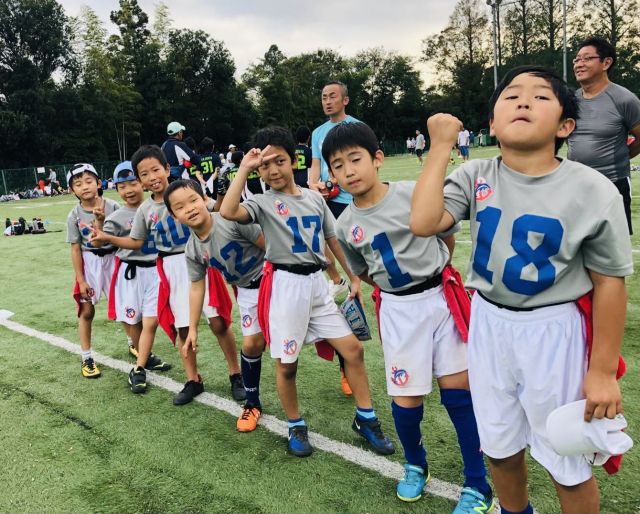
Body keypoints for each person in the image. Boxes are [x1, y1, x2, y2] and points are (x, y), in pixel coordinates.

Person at [410, 66, 633, 514]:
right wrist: (440, 146)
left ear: (565, 126)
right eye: (511, 95)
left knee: (567, 458)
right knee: (499, 446)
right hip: (489, 321)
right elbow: (423, 222)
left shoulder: (593, 189)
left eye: (541, 96)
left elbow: (610, 283)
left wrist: (603, 371)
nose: (524, 101)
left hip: (554, 330)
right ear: (492, 124)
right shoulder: (476, 174)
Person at [326, 121, 492, 512]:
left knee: (459, 393)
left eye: (355, 159)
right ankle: (416, 465)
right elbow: (363, 270)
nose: (349, 171)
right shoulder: (345, 224)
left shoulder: (412, 193)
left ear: (377, 159)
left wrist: (434, 269)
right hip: (398, 310)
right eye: (338, 165)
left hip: (439, 300)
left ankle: (477, 482)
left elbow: (444, 235)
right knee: (405, 400)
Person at [220, 126, 394, 458]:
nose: (273, 170)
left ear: (293, 161)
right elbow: (228, 211)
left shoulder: (314, 198)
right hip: (286, 287)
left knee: (353, 350)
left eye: (279, 161)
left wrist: (352, 277)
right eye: (265, 165)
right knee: (287, 364)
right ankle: (295, 424)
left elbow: (332, 240)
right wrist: (244, 168)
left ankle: (366, 418)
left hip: (317, 286)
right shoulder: (261, 202)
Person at [90, 145, 245, 405]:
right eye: (144, 174)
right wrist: (107, 237)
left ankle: (235, 374)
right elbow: (137, 242)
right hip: (172, 269)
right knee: (183, 326)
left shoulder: (185, 190)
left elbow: (216, 210)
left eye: (155, 170)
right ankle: (193, 379)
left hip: (202, 259)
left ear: (166, 168)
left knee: (218, 322)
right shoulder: (145, 210)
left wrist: (221, 193)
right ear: (140, 180)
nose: (152, 177)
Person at [166, 179, 268, 433]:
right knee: (251, 345)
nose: (189, 208)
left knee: (313, 333)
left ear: (205, 199)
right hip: (247, 291)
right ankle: (252, 403)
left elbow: (269, 246)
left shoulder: (230, 220)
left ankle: (346, 369)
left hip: (274, 279)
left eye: (193, 200)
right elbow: (197, 288)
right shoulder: (192, 249)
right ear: (174, 216)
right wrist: (192, 329)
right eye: (180, 207)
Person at [100, 161, 171, 394]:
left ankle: (139, 366)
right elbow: (102, 241)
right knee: (132, 320)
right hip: (130, 273)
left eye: (133, 183)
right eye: (122, 186)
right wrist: (99, 224)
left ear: (142, 183)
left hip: (155, 270)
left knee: (152, 320)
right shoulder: (116, 217)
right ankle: (145, 356)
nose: (129, 190)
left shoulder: (157, 207)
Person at [309, 80, 356, 394]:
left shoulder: (356, 127)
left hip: (352, 200)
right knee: (326, 243)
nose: (327, 101)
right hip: (327, 201)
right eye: (324, 97)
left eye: (332, 96)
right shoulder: (318, 133)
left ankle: (358, 281)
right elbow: (315, 168)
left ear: (345, 100)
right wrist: (315, 187)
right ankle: (340, 279)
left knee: (358, 248)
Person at [568, 36, 640, 235]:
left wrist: (623, 155)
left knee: (614, 246)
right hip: (575, 185)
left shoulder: (624, 99)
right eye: (577, 59)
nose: (579, 64)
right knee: (576, 243)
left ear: (606, 63)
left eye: (587, 58)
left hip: (612, 184)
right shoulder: (571, 100)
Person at [66, 163, 120, 378]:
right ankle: (86, 356)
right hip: (90, 261)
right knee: (87, 310)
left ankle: (134, 343)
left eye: (89, 181)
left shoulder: (113, 206)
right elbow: (75, 248)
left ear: (99, 183)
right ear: (72, 190)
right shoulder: (74, 215)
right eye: (78, 184)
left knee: (125, 305)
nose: (85, 186)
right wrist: (81, 280)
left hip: (113, 257)